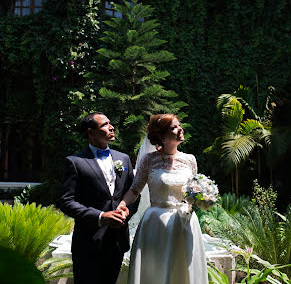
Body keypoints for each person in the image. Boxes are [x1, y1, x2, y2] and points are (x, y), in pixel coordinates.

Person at [118, 114, 208, 284]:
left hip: (185, 221)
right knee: (156, 270)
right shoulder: (148, 160)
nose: (180, 129)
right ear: (162, 136)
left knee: (184, 269)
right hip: (156, 223)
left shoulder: (190, 160)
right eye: (174, 127)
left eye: (179, 125)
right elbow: (135, 189)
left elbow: (195, 190)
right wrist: (122, 205)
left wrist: (204, 197)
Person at [60, 112, 140, 284]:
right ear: (91, 132)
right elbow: (66, 202)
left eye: (110, 123)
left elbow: (134, 193)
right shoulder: (75, 162)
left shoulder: (123, 159)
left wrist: (127, 211)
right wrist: (100, 217)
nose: (111, 127)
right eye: (104, 125)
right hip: (88, 241)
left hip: (117, 240)